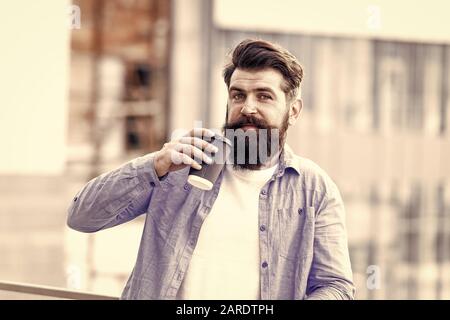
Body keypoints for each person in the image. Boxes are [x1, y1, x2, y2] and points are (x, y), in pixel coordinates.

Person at [67, 39, 355, 300]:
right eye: (238, 95)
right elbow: (82, 216)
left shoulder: (315, 188)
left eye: (264, 96)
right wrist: (155, 165)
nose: (247, 108)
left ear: (293, 110)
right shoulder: (182, 164)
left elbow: (336, 287)